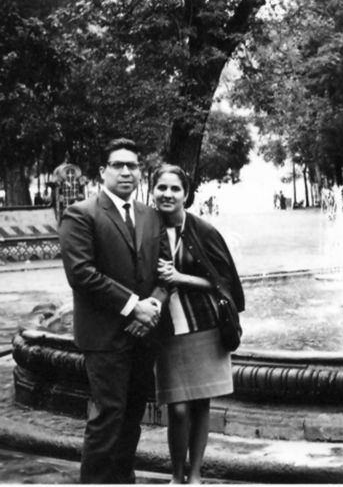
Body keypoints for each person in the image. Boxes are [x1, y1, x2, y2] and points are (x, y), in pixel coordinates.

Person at [58, 138, 168, 483]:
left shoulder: (150, 215)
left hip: (143, 336)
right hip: (104, 337)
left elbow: (165, 270)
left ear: (140, 172)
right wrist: (134, 307)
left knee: (132, 418)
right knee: (108, 418)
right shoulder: (81, 214)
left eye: (132, 165)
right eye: (117, 165)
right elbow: (81, 274)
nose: (125, 172)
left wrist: (154, 306)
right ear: (102, 171)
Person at [151, 164, 244, 484]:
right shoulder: (146, 228)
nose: (168, 194)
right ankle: (176, 476)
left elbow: (224, 283)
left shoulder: (203, 231)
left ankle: (195, 475)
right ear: (153, 191)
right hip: (167, 329)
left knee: (202, 403)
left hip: (204, 326)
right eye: (162, 187)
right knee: (177, 408)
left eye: (175, 189)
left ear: (186, 194)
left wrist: (181, 277)